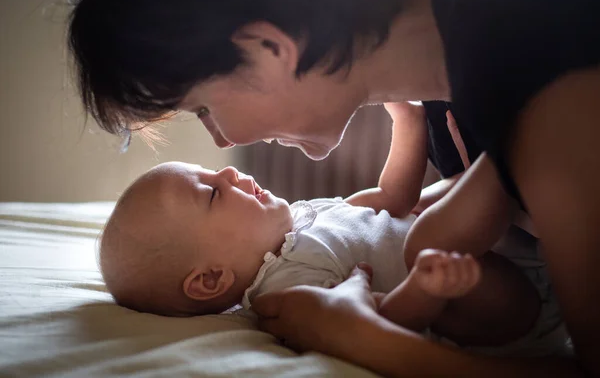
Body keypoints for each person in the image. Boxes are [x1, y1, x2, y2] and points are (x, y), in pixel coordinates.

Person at [66, 0, 600, 375]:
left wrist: (363, 339)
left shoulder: (547, 79)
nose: (223, 143)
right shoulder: (454, 108)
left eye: (203, 110)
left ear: (267, 50)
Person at [99, 103, 563, 356]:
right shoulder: (285, 288)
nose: (231, 174)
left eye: (214, 172)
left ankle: (511, 159)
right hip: (498, 310)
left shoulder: (303, 215)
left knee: (431, 200)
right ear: (210, 279)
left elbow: (391, 198)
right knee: (429, 237)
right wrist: (426, 288)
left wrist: (408, 120)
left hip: (510, 250)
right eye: (214, 194)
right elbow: (377, 320)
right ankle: (516, 148)